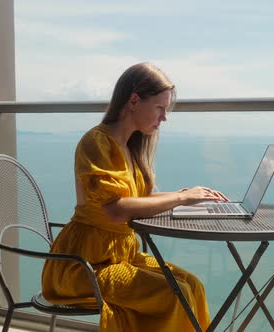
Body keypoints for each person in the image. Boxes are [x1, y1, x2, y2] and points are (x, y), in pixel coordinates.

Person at [41, 62, 228, 331]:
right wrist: (180, 200)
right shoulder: (97, 142)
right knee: (174, 293)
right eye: (160, 108)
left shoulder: (130, 146)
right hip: (86, 265)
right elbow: (116, 209)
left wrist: (183, 194)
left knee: (192, 285)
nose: (164, 118)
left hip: (121, 257)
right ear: (133, 101)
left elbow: (140, 197)